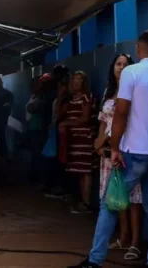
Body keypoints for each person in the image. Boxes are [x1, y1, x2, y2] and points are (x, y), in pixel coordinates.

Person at [70, 31, 148, 268]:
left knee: (110, 203)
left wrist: (114, 148)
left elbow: (121, 111)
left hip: (135, 151)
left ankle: (95, 260)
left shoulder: (132, 73)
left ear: (139, 50)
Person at [94, 54, 144, 261]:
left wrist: (106, 139)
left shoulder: (136, 92)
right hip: (108, 154)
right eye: (118, 64)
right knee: (115, 198)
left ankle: (135, 243)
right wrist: (98, 143)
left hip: (127, 151)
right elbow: (104, 121)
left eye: (126, 64)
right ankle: (123, 238)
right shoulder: (109, 93)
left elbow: (131, 122)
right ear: (112, 67)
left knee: (133, 199)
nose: (122, 68)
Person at [58, 71, 95, 214]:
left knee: (85, 171)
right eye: (73, 79)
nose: (75, 82)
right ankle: (83, 202)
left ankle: (86, 203)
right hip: (74, 140)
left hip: (84, 139)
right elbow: (59, 113)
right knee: (80, 171)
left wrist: (66, 123)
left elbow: (85, 118)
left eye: (78, 80)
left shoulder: (86, 98)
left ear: (83, 82)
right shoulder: (72, 99)